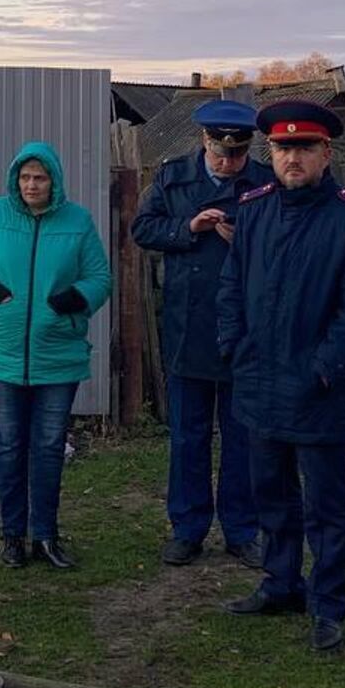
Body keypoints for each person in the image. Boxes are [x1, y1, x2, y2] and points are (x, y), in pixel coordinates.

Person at [216, 99, 345, 653]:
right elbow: (232, 288)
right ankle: (280, 583)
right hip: (259, 387)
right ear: (270, 153)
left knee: (327, 507)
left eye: (303, 148)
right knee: (270, 497)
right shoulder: (254, 210)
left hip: (318, 392)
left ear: (326, 153)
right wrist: (235, 349)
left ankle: (328, 603)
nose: (291, 157)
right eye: (282, 148)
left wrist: (323, 370)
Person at [131, 100, 275, 571]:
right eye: (220, 153)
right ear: (204, 143)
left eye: (236, 156)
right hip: (188, 327)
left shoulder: (264, 183)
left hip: (243, 330)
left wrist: (248, 243)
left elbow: (287, 240)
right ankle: (188, 529)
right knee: (188, 438)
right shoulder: (172, 180)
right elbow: (142, 229)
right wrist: (187, 228)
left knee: (241, 438)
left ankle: (242, 530)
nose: (228, 163)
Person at [0, 141, 112, 570]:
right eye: (25, 177)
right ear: (15, 179)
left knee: (47, 446)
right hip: (3, 352)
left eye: (39, 178)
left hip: (57, 355)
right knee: (9, 446)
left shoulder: (78, 222)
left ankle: (45, 535)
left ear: (54, 181)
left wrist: (73, 299)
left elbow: (100, 277)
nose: (31, 185)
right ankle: (12, 537)